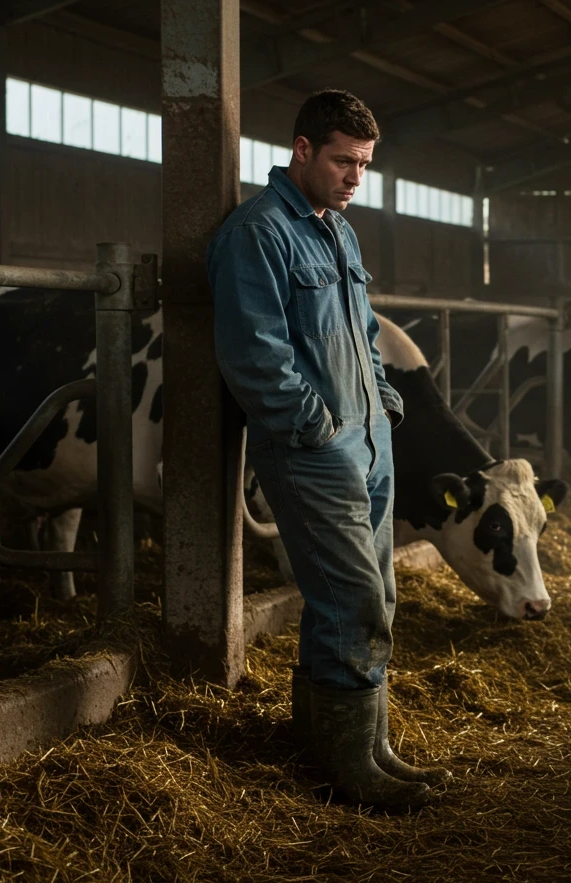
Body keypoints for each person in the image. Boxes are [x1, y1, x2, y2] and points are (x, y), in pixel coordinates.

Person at [207, 89, 448, 811]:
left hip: (371, 443)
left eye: (365, 165)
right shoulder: (258, 234)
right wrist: (315, 427)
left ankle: (353, 746)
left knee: (377, 596)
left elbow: (362, 336)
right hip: (314, 452)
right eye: (344, 160)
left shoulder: (338, 232)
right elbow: (255, 354)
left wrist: (383, 400)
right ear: (303, 150)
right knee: (352, 598)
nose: (354, 178)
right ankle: (351, 764)